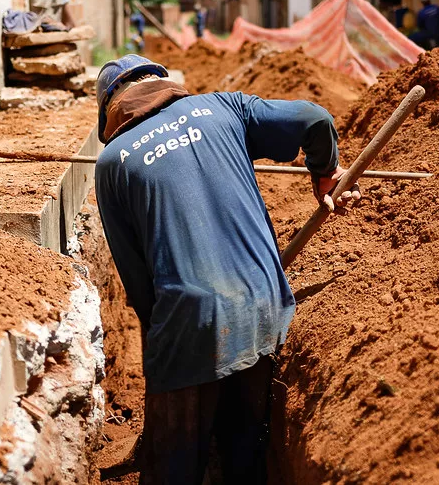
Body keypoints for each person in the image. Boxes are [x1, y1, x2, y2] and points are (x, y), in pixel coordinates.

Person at [93, 55, 360, 484]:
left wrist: (163, 360)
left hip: (189, 320)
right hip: (265, 301)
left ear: (111, 109)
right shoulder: (224, 107)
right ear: (165, 83)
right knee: (245, 449)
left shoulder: (112, 164)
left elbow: (138, 284)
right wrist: (325, 174)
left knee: (174, 468)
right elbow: (315, 118)